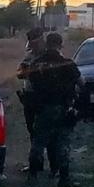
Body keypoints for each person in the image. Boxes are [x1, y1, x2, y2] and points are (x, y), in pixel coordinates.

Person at [27, 32, 82, 187]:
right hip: (63, 108)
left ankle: (33, 175)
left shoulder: (36, 63)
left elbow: (30, 85)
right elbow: (81, 82)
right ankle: (64, 179)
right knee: (62, 143)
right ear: (60, 44)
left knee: (38, 142)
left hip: (42, 108)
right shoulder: (67, 63)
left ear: (47, 43)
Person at [17, 28, 58, 176]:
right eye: (32, 44)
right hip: (30, 98)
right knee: (33, 132)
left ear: (42, 41)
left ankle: (55, 167)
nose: (34, 47)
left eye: (36, 43)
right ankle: (36, 164)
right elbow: (19, 74)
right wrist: (27, 69)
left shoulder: (52, 56)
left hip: (47, 99)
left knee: (51, 135)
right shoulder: (29, 57)